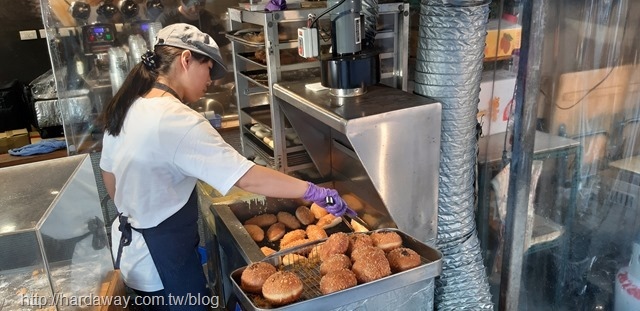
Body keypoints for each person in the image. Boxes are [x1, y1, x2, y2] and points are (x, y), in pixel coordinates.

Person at [98, 23, 353, 310]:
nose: (211, 81)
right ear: (185, 60)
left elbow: (111, 180)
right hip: (166, 267)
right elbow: (249, 179)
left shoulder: (128, 106)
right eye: (208, 69)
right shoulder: (177, 119)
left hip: (133, 257)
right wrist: (313, 191)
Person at [154, 0, 228, 47]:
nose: (194, 9)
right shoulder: (165, 20)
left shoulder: (210, 18)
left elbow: (223, 43)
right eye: (189, 4)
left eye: (199, 4)